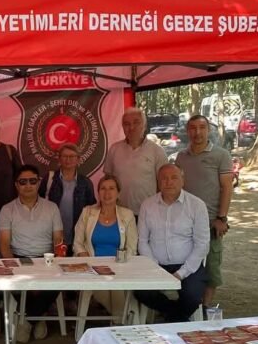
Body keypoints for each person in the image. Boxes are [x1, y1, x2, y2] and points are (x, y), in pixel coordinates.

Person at [135, 164, 210, 323]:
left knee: (192, 296)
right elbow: (142, 241)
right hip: (156, 265)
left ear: (183, 180)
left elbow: (202, 244)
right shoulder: (147, 205)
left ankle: (171, 318)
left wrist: (181, 273)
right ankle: (177, 318)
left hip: (188, 266)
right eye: (164, 178)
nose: (169, 182)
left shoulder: (197, 205)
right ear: (158, 182)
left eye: (174, 178)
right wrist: (155, 268)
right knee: (141, 291)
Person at [0, 165, 63, 343]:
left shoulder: (52, 208)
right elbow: (4, 245)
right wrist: (14, 268)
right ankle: (39, 316)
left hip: (46, 259)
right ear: (16, 185)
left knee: (60, 280)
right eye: (23, 182)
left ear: (39, 183)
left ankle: (27, 320)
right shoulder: (7, 210)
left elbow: (59, 241)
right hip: (19, 258)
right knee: (14, 281)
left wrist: (54, 264)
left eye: (32, 181)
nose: (28, 185)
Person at [175, 115, 233, 307]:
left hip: (210, 222)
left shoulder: (221, 155)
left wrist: (221, 218)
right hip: (184, 223)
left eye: (202, 127)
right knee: (187, 265)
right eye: (192, 128)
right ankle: (189, 305)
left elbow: (227, 187)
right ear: (187, 131)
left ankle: (206, 307)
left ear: (208, 130)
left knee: (211, 268)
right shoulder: (181, 157)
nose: (197, 132)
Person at [73, 175, 138, 319]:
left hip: (119, 267)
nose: (107, 193)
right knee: (108, 286)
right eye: (103, 188)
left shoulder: (127, 215)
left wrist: (119, 265)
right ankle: (122, 320)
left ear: (118, 193)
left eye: (111, 188)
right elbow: (77, 243)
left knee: (116, 285)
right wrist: (87, 260)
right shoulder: (87, 212)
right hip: (92, 268)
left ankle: (118, 319)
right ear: (98, 192)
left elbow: (132, 247)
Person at [103, 107, 168, 214]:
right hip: (119, 212)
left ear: (144, 125)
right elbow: (108, 180)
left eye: (136, 123)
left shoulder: (157, 151)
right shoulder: (114, 149)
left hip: (147, 212)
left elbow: (163, 183)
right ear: (123, 127)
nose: (131, 127)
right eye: (127, 124)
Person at [39, 143, 96, 253]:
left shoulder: (85, 183)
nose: (68, 160)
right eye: (64, 156)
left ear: (78, 159)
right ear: (59, 159)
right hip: (50, 237)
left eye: (72, 156)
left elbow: (91, 210)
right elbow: (38, 203)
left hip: (77, 238)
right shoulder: (50, 179)